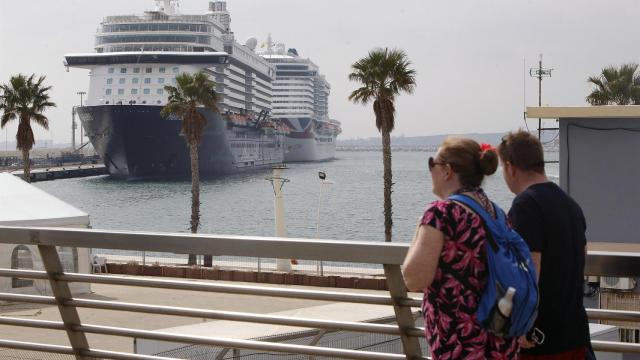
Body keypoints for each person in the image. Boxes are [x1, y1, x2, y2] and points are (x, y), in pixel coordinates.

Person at [403, 137, 518, 359]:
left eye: (431, 163)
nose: (430, 171)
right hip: (500, 340)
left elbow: (414, 279)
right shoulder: (497, 214)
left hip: (460, 344)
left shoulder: (441, 214)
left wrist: (420, 228)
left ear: (447, 171)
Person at [498, 130, 591, 359]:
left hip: (542, 339)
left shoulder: (525, 205)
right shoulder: (571, 205)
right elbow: (582, 258)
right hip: (575, 334)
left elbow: (530, 267)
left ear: (510, 167)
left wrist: (520, 323)